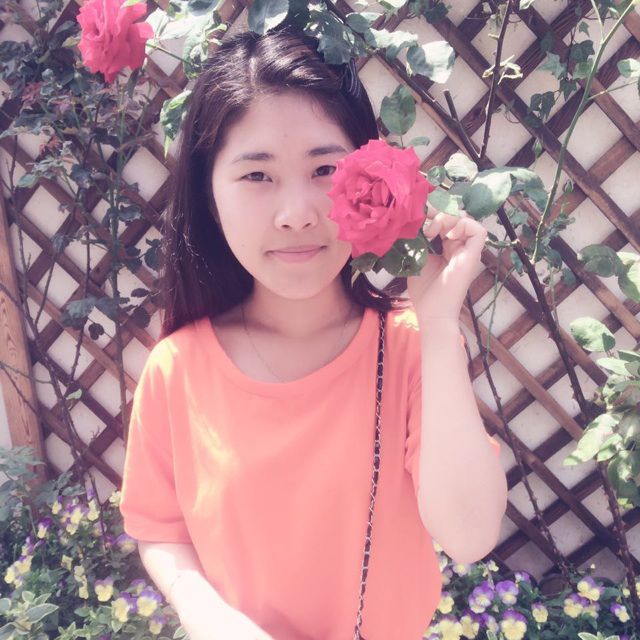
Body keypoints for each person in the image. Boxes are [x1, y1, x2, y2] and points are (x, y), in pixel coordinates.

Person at [118, 21, 508, 640]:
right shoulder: (177, 368)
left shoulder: (412, 345)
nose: (296, 214)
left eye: (324, 168)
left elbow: (469, 535)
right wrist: (207, 615)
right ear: (209, 194)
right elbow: (161, 531)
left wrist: (438, 325)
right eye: (257, 175)